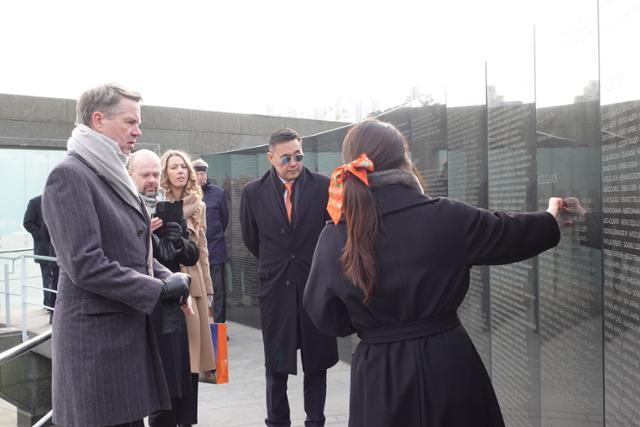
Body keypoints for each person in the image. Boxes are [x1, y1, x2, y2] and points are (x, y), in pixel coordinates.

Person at [303, 118, 564, 427]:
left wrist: (370, 323)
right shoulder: (446, 217)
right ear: (404, 160)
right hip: (449, 363)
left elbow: (323, 312)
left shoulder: (335, 236)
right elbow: (510, 234)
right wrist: (551, 216)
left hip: (379, 372)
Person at [42, 84, 191, 427]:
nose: (138, 131)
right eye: (130, 122)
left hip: (121, 344)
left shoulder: (111, 175)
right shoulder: (70, 176)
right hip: (95, 354)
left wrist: (167, 276)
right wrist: (157, 290)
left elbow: (132, 248)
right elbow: (85, 264)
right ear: (98, 120)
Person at [240, 128, 339, 427]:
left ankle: (315, 420)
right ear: (271, 158)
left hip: (314, 286)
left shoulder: (323, 186)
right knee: (277, 363)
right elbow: (251, 238)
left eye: (298, 156)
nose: (294, 163)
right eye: (286, 158)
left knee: (316, 362)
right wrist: (278, 265)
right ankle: (277, 421)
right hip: (275, 288)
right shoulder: (253, 192)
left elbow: (333, 232)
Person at [128, 149, 199, 427]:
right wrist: (144, 233)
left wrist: (177, 240)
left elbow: (190, 256)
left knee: (171, 387)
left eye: (156, 174)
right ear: (130, 174)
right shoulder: (125, 208)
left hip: (170, 303)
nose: (152, 180)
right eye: (145, 174)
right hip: (137, 303)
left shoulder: (169, 207)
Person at [160, 149, 217, 424]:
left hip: (193, 283)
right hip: (166, 283)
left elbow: (203, 250)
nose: (180, 171)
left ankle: (187, 420)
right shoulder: (157, 204)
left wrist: (208, 293)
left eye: (183, 166)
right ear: (165, 173)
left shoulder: (200, 204)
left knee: (192, 360)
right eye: (174, 167)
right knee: (171, 358)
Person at [192, 158, 229, 323]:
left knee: (219, 290)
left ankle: (220, 326)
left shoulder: (218, 193)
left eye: (202, 173)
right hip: (195, 252)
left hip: (216, 249)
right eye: (197, 173)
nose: (200, 177)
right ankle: (201, 325)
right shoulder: (189, 194)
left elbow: (225, 219)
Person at [23, 194, 58, 314]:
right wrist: (40, 235)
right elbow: (27, 222)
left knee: (55, 277)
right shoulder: (35, 202)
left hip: (57, 249)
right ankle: (49, 306)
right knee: (48, 277)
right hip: (43, 248)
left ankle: (53, 305)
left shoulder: (56, 200)